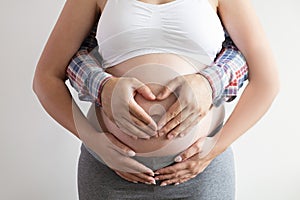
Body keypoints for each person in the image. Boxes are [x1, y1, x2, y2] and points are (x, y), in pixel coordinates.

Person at [33, 0, 279, 199]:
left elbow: (267, 81)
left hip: (200, 173)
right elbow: (46, 77)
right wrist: (94, 142)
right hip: (109, 173)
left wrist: (214, 148)